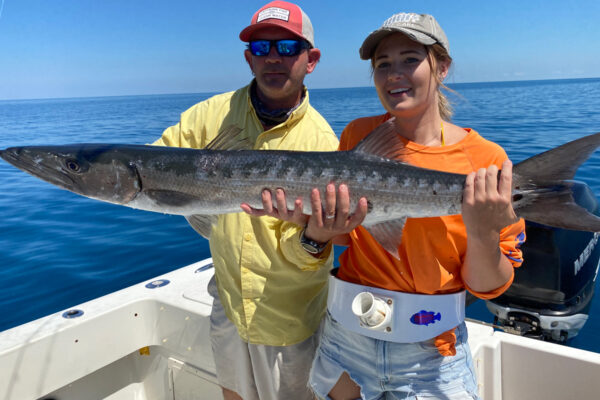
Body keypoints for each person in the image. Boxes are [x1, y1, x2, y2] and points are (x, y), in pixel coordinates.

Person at [255, 12, 526, 399]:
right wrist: (316, 229)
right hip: (345, 343)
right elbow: (349, 239)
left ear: (442, 67)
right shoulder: (359, 134)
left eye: (410, 59)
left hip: (431, 355)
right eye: (383, 64)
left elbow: (490, 288)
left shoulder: (484, 161)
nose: (394, 73)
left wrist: (482, 230)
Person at [152, 2, 339, 399]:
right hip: (229, 307)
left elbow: (315, 252)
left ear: (312, 60)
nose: (273, 57)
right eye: (261, 47)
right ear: (248, 58)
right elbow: (155, 161)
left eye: (287, 47)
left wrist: (312, 237)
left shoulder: (325, 144)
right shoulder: (209, 115)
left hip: (290, 320)